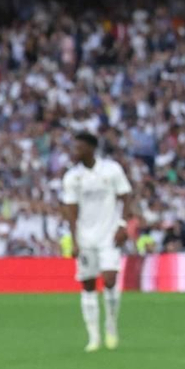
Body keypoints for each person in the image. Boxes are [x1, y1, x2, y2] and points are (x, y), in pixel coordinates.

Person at [59, 131, 131, 352]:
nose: (75, 152)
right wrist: (74, 240)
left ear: (91, 148)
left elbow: (126, 196)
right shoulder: (72, 177)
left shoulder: (111, 170)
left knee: (109, 279)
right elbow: (71, 210)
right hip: (85, 237)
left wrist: (122, 225)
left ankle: (111, 325)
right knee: (88, 284)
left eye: (79, 148)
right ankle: (93, 336)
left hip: (109, 234)